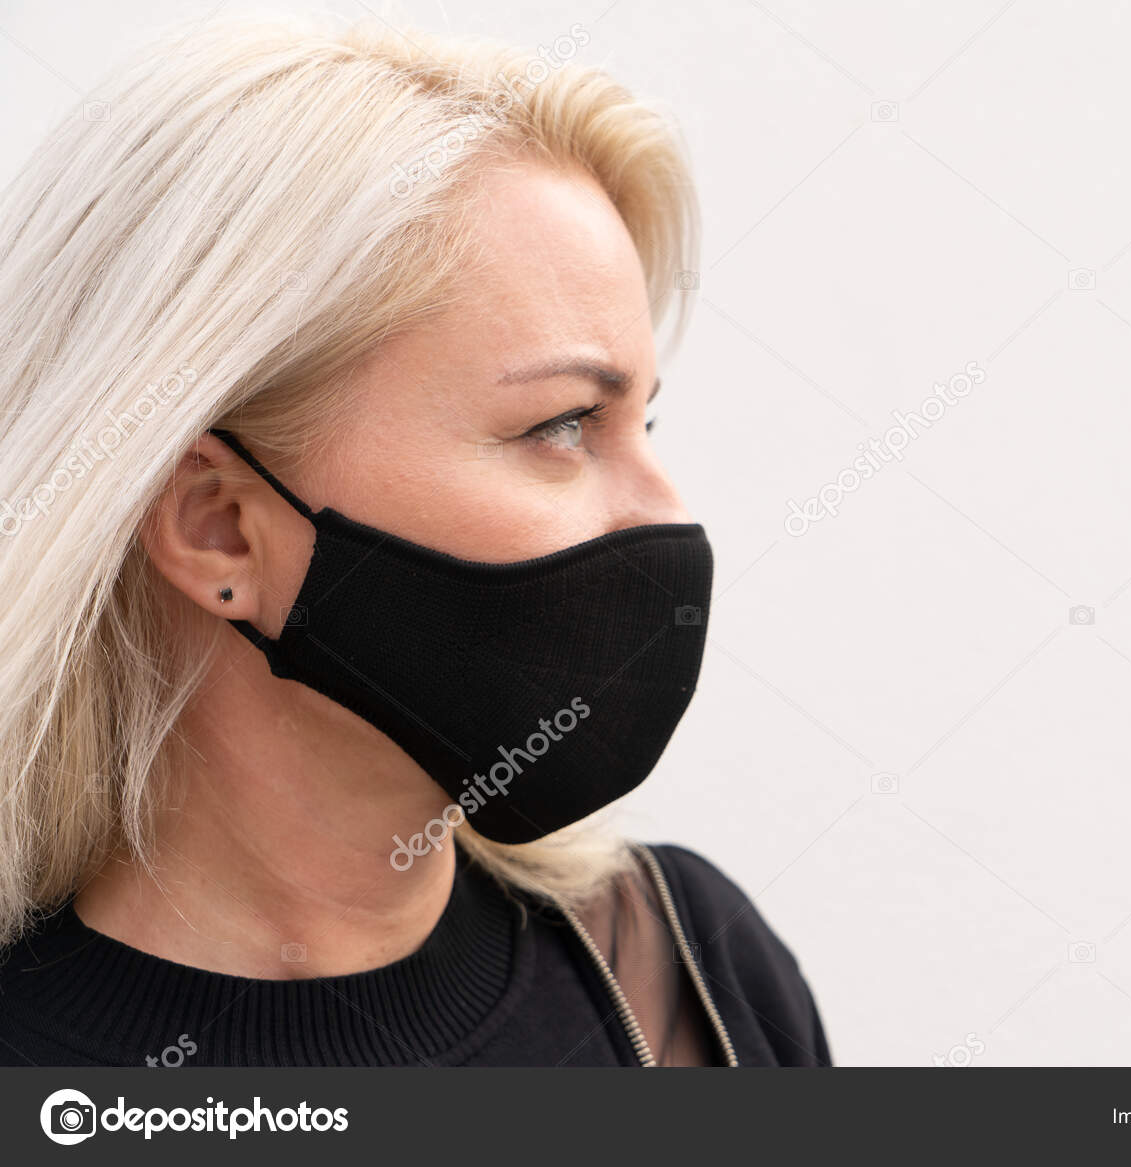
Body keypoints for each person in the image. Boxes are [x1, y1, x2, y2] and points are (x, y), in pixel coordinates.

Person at [0, 14, 830, 1068]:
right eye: (563, 424)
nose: (668, 513)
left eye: (644, 423)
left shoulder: (684, 971)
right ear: (220, 527)